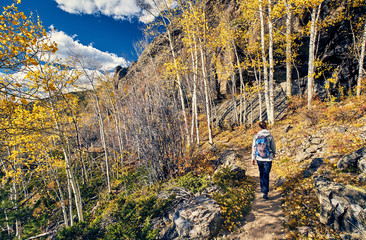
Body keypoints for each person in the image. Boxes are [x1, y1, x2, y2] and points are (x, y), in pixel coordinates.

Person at [251, 121, 276, 200]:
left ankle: (262, 188)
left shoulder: (256, 136)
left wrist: (253, 158)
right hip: (268, 158)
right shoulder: (270, 136)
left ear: (259, 127)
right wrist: (274, 153)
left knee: (261, 173)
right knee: (266, 174)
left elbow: (254, 148)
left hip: (259, 158)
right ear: (266, 126)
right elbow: (273, 146)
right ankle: (265, 192)